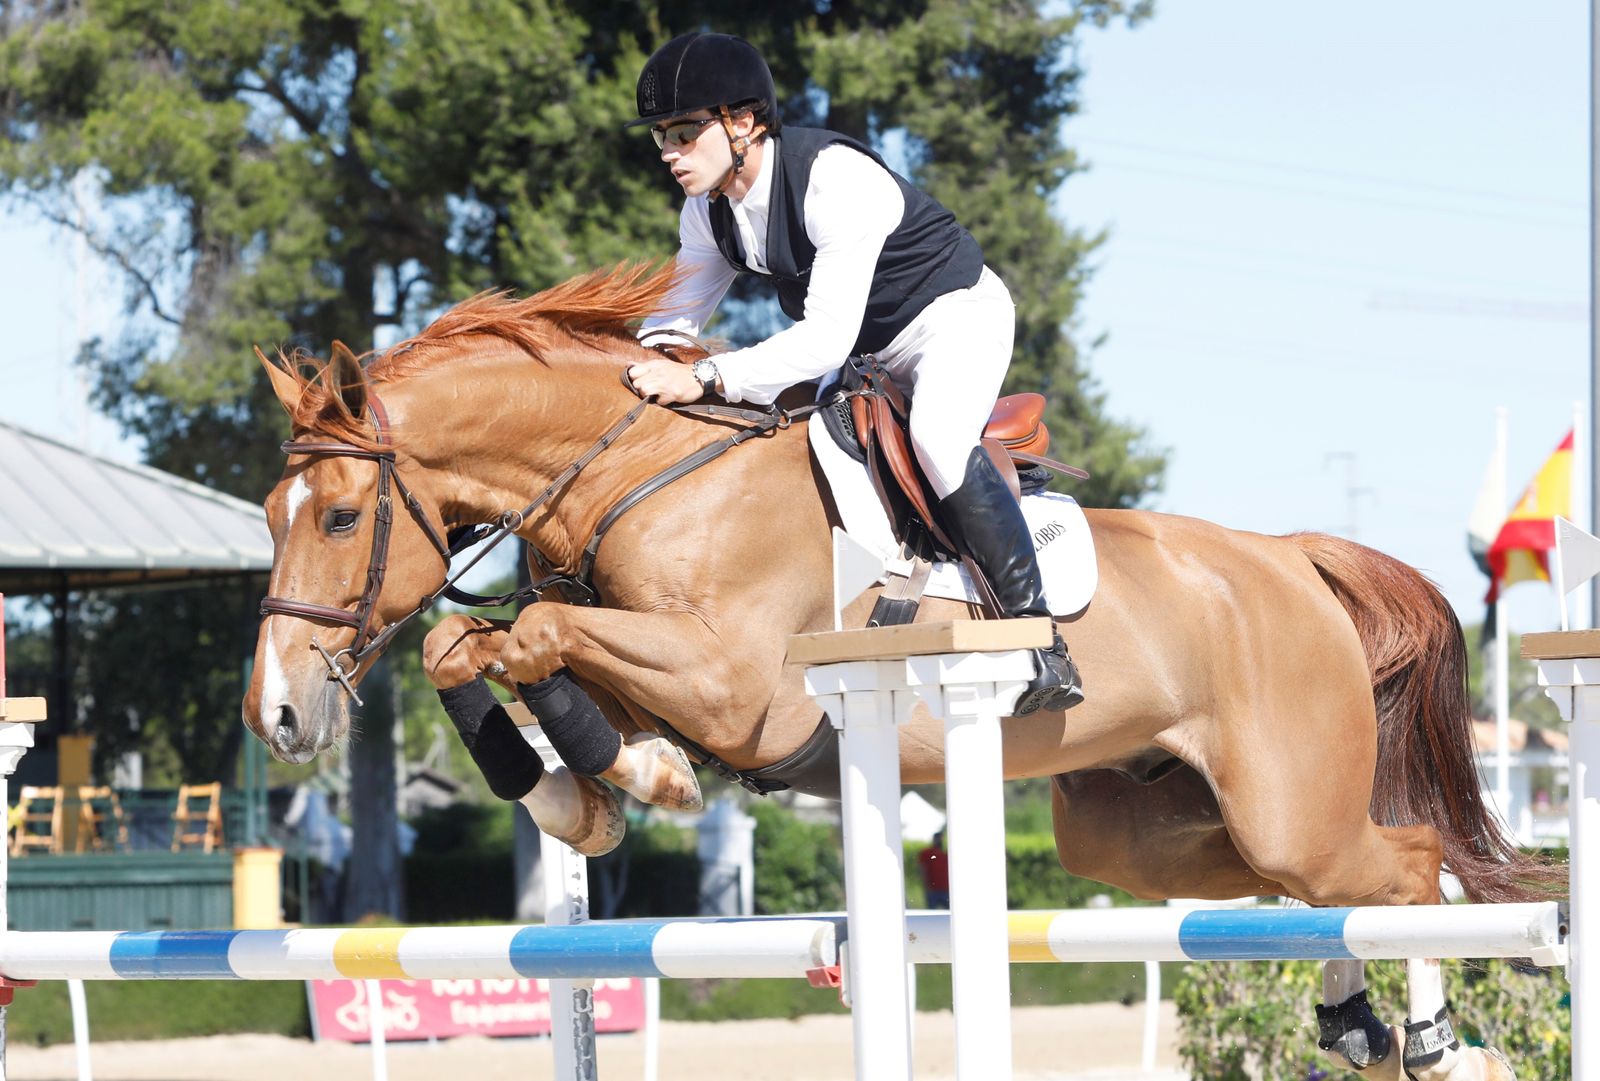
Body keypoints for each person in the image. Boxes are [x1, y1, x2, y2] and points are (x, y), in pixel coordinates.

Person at [623, 31, 1082, 715]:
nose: (669, 153)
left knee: (935, 435)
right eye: (662, 135)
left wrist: (709, 377)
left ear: (743, 122)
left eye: (685, 132)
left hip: (951, 317)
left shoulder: (832, 179)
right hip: (869, 355)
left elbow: (822, 338)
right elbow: (669, 326)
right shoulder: (708, 213)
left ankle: (1041, 638)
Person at [917, 830, 950, 909]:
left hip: (947, 889)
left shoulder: (947, 853)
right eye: (938, 838)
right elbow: (922, 869)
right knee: (932, 914)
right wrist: (926, 886)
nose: (939, 840)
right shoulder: (926, 853)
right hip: (932, 890)